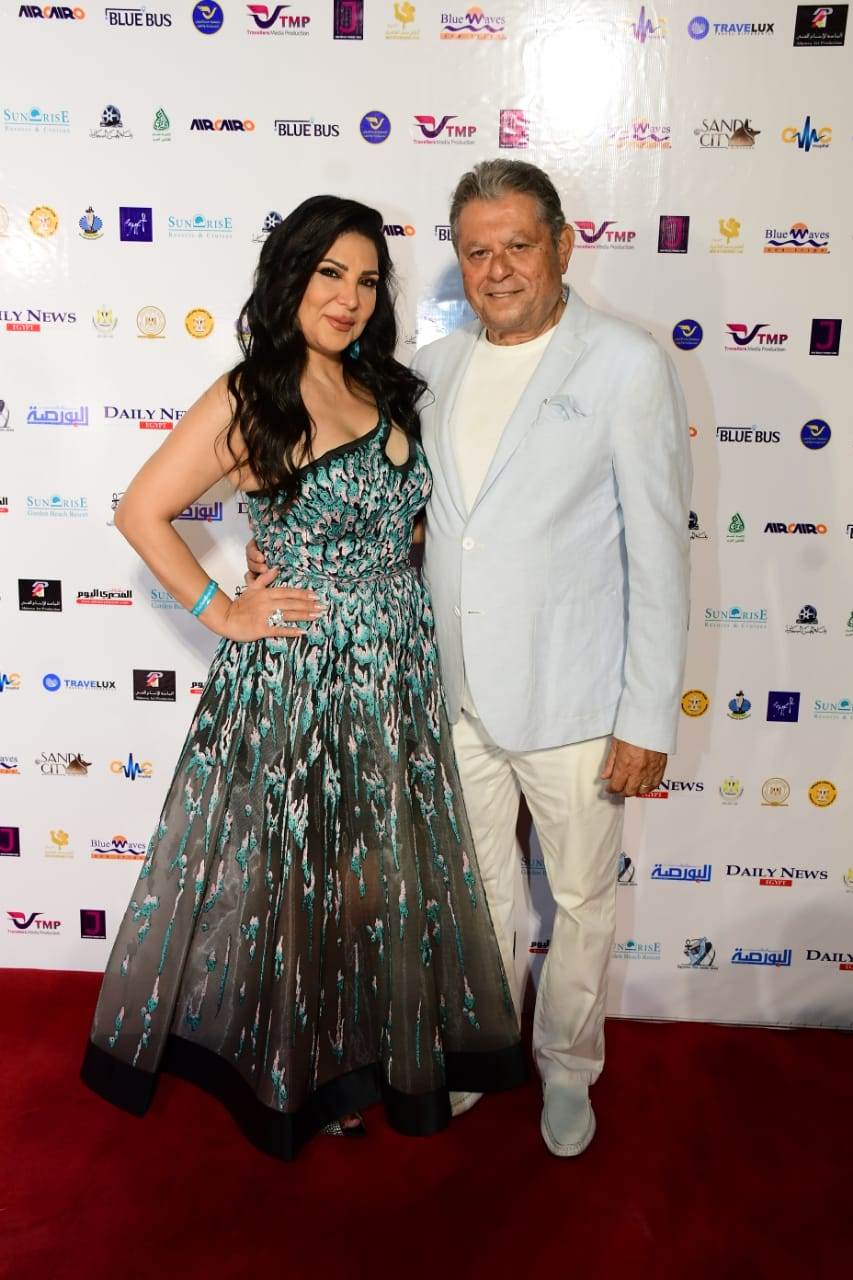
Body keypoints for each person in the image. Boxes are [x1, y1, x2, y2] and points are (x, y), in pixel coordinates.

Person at [250, 160, 692, 1158]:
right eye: (477, 250)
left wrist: (646, 717)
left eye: (517, 246)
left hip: (578, 700)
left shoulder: (624, 363)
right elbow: (395, 512)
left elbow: (660, 552)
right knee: (475, 897)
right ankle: (483, 1057)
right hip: (448, 694)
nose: (496, 269)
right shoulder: (432, 369)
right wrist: (283, 548)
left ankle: (567, 1069)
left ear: (562, 245)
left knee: (580, 901)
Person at [81, 195, 525, 1161]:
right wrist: (224, 610)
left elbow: (406, 522)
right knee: (299, 878)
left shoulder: (386, 388)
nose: (348, 297)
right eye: (329, 273)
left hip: (395, 666)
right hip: (300, 671)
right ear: (290, 277)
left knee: (372, 877)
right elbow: (142, 510)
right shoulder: (252, 393)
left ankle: (363, 1055)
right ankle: (298, 1077)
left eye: (365, 280)